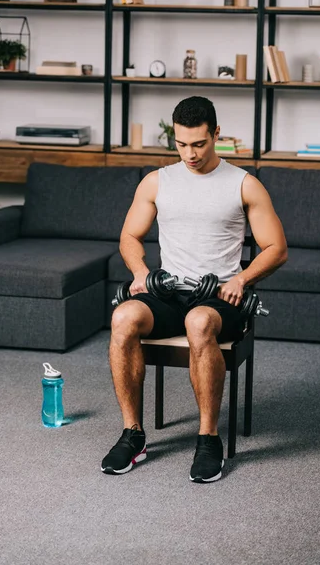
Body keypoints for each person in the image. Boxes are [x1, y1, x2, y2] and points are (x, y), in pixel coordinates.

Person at [102, 96, 287, 483]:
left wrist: (241, 280)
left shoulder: (243, 184)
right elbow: (130, 236)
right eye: (182, 144)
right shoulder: (158, 181)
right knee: (123, 317)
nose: (190, 153)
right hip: (170, 292)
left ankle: (208, 439)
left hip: (220, 297)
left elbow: (276, 248)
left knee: (200, 323)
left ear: (216, 134)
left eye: (199, 144)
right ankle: (133, 434)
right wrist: (139, 271)